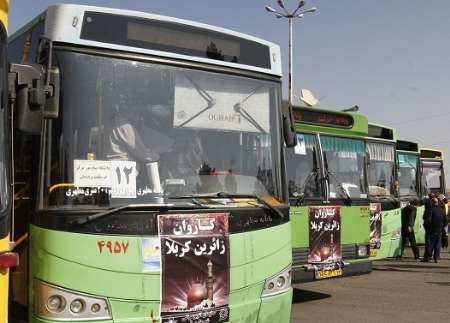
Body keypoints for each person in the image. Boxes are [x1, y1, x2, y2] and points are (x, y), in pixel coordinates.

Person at [423, 197, 447, 263]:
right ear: (437, 202)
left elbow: (428, 220)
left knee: (429, 244)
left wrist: (426, 227)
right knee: (437, 244)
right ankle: (436, 258)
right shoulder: (441, 210)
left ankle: (428, 258)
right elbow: (445, 220)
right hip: (439, 230)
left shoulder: (430, 210)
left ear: (432, 202)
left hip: (431, 230)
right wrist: (442, 227)